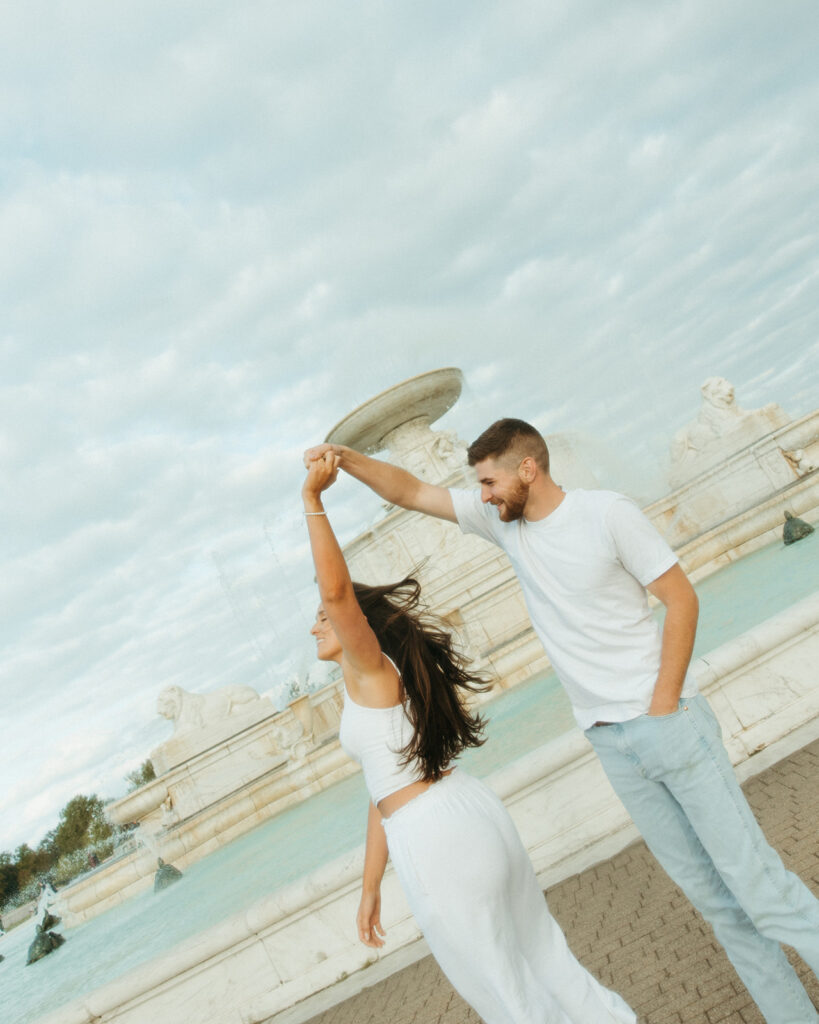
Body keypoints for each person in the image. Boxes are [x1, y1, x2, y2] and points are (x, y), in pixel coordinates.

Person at [304, 420, 819, 1024]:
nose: (485, 495)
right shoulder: (506, 528)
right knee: (719, 906)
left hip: (669, 726)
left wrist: (663, 702)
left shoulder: (607, 515)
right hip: (612, 745)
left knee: (761, 890)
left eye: (491, 481)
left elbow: (682, 598)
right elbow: (412, 492)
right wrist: (347, 459)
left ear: (529, 468)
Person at [302, 451, 636, 1024]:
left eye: (325, 620)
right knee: (542, 955)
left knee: (505, 991)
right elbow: (380, 793)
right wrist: (370, 885)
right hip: (463, 811)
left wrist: (313, 502)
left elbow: (337, 594)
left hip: (435, 837)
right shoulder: (384, 683)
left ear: (359, 627)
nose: (316, 624)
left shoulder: (371, 669)